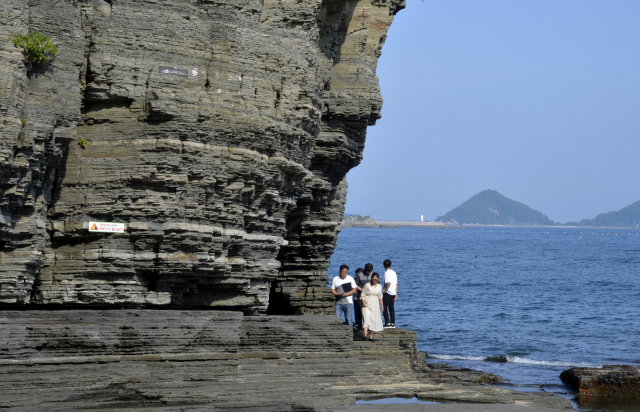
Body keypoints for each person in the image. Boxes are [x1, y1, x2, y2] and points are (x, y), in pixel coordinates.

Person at [330, 264, 357, 328]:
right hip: (338, 302)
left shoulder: (350, 279)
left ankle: (350, 334)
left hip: (348, 302)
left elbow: (354, 290)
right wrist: (338, 294)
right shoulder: (335, 279)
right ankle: (337, 332)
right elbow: (332, 290)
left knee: (349, 320)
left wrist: (346, 294)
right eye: (343, 272)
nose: (344, 274)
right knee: (336, 320)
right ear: (339, 271)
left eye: (346, 272)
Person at [361, 272, 384, 341]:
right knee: (366, 318)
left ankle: (371, 336)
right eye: (373, 279)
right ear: (371, 279)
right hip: (367, 304)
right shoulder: (367, 285)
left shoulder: (380, 287)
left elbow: (380, 297)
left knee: (374, 320)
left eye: (376, 280)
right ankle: (365, 335)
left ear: (378, 280)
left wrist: (382, 306)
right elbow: (362, 295)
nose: (374, 281)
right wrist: (363, 302)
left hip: (375, 305)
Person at [353, 263, 373, 331]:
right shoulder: (359, 275)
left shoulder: (372, 275)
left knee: (370, 311)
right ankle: (360, 326)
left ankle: (369, 326)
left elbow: (375, 283)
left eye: (370, 271)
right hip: (360, 295)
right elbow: (355, 285)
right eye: (368, 271)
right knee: (361, 311)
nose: (369, 273)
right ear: (365, 269)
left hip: (370, 295)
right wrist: (363, 290)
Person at [382, 259, 397, 328]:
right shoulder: (394, 273)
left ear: (384, 265)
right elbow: (396, 284)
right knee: (391, 307)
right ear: (390, 265)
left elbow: (389, 283)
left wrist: (385, 290)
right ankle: (392, 323)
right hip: (393, 292)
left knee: (384, 307)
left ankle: (387, 323)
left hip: (388, 292)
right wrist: (396, 293)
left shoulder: (387, 273)